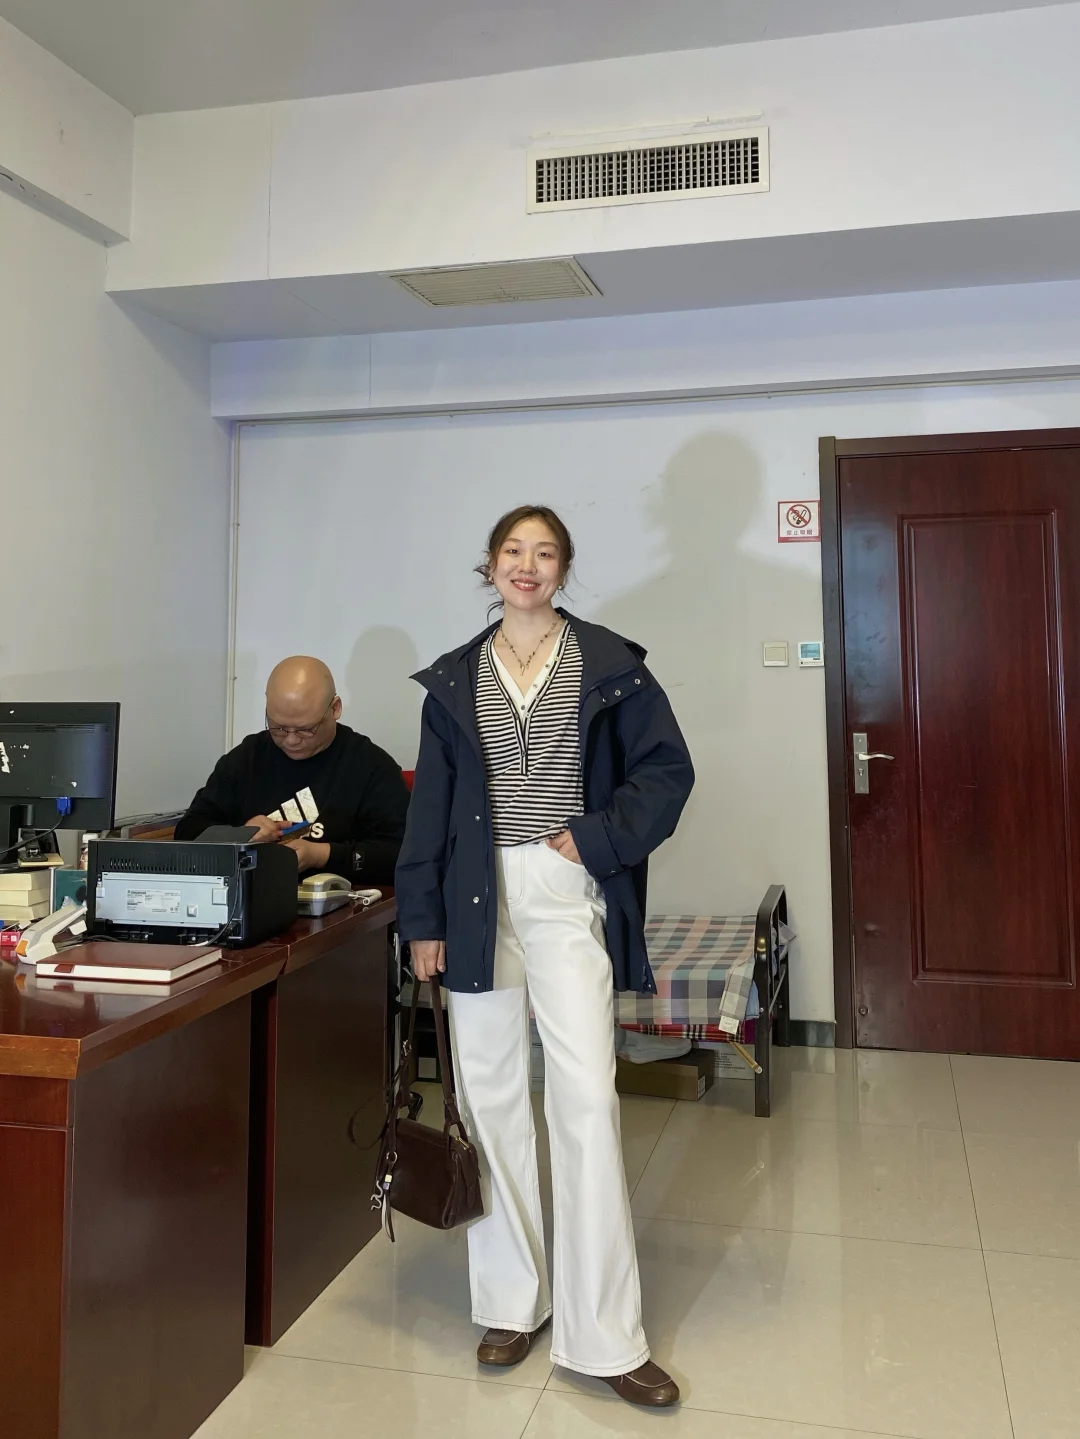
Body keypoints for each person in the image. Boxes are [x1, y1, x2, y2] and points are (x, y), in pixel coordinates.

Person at [396, 506, 694, 1407]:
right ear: (490, 566)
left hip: (563, 891)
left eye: (545, 553)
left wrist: (593, 838)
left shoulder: (608, 662)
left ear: (563, 569)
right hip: (474, 897)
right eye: (512, 551)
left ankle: (606, 1334)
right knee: (488, 1098)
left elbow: (667, 772)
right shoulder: (454, 677)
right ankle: (510, 1303)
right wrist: (421, 919)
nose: (527, 566)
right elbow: (430, 809)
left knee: (587, 1099)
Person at [176, 656, 409, 886]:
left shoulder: (370, 766)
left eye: (306, 729)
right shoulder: (247, 758)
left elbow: (399, 853)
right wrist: (238, 836)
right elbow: (188, 830)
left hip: (340, 903)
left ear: (335, 708)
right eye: (278, 728)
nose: (291, 740)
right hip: (253, 897)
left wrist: (321, 855)